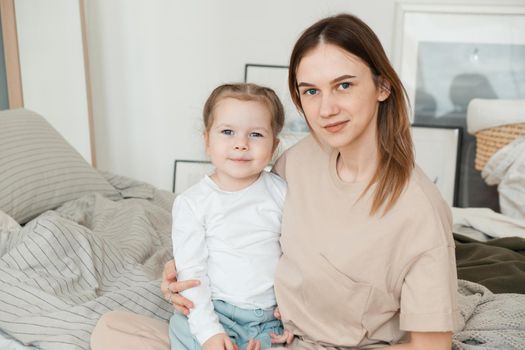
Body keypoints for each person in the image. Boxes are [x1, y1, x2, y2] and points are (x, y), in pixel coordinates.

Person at [91, 13, 459, 350]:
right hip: (257, 329)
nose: (325, 109)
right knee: (111, 330)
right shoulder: (300, 160)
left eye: (344, 85)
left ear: (382, 86)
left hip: (321, 345)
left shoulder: (419, 211)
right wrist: (183, 272)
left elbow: (432, 346)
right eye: (311, 91)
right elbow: (244, 215)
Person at [168, 83, 291, 350]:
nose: (241, 144)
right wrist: (210, 332)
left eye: (256, 134)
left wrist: (293, 310)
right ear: (207, 141)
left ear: (274, 145)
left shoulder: (281, 192)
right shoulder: (192, 203)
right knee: (181, 324)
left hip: (270, 319)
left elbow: (297, 254)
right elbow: (191, 273)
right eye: (227, 132)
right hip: (217, 311)